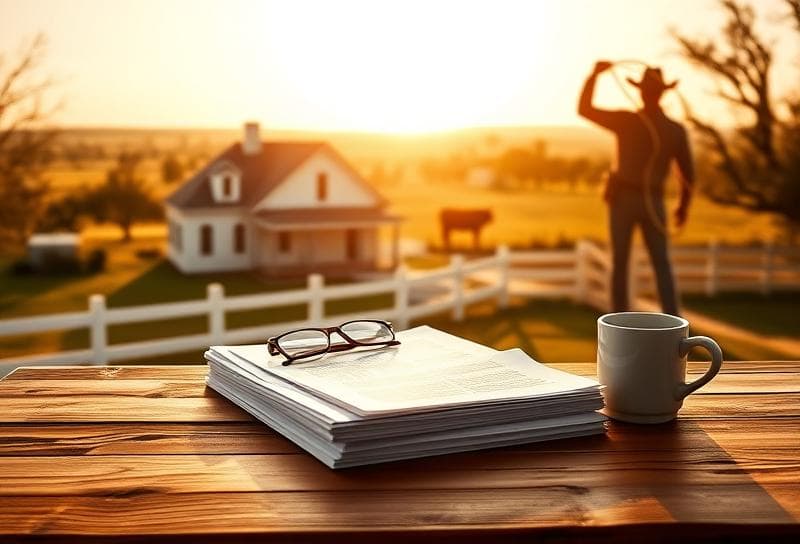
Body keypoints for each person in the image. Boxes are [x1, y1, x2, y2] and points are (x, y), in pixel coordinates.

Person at [578, 61, 694, 316]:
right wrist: (683, 207)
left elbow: (584, 109)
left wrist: (594, 76)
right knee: (660, 263)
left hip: (624, 200)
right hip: (652, 200)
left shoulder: (627, 121)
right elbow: (688, 175)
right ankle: (672, 322)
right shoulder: (674, 130)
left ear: (642, 92)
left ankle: (619, 322)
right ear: (661, 93)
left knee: (621, 262)